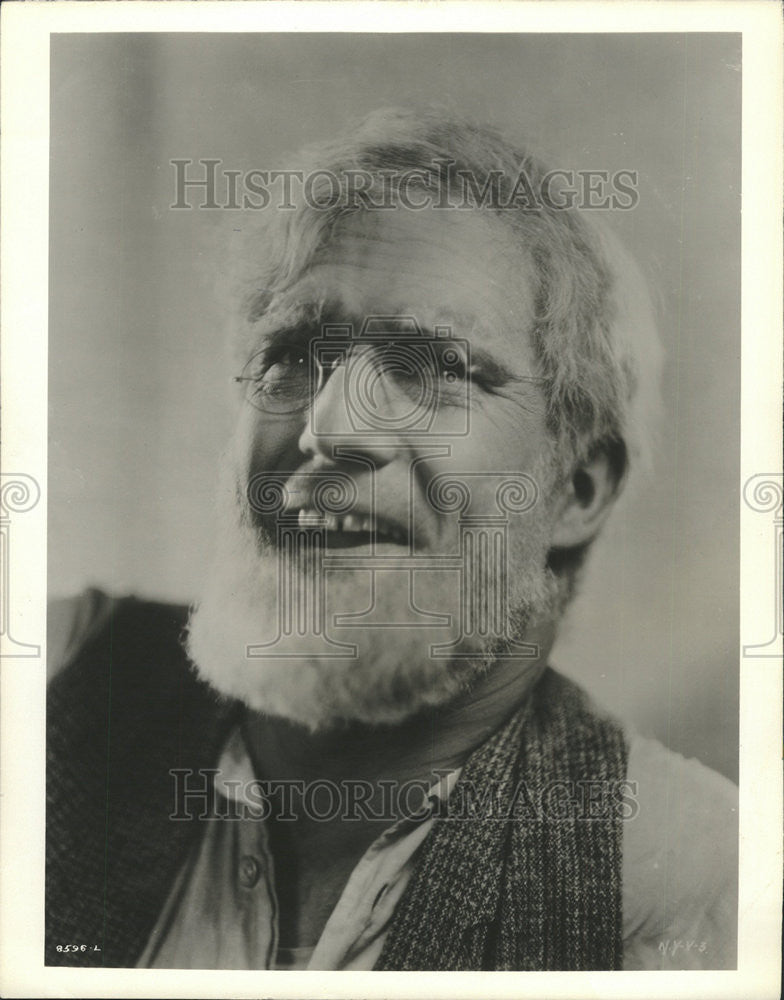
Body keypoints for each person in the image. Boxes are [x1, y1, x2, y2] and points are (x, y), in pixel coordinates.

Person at [46, 107, 737, 971]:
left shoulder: (701, 890)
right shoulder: (54, 679)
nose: (331, 429)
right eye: (291, 355)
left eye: (430, 367)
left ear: (577, 489)